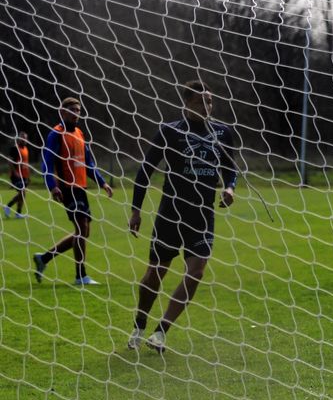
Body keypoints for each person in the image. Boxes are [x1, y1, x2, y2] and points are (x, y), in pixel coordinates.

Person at [126, 80, 239, 354]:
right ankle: (140, 323)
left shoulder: (223, 133)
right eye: (202, 101)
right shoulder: (170, 132)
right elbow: (145, 171)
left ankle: (161, 332)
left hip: (202, 215)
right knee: (156, 273)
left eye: (210, 101)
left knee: (196, 272)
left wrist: (229, 187)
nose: (207, 106)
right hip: (171, 213)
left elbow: (230, 168)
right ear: (187, 103)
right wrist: (136, 210)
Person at [34, 97, 113, 286]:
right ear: (62, 112)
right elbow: (47, 164)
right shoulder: (56, 134)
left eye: (78, 110)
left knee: (83, 232)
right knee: (82, 229)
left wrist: (102, 183)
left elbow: (88, 163)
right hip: (66, 188)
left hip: (81, 188)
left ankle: (44, 258)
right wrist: (53, 186)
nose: (76, 113)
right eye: (72, 110)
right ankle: (80, 276)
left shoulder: (79, 133)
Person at [4, 132, 31, 219]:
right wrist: (15, 172)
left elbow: (26, 164)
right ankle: (12, 209)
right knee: (22, 192)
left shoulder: (26, 149)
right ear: (19, 138)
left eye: (25, 138)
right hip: (16, 176)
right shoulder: (14, 148)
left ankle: (14, 211)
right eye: (23, 138)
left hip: (24, 176)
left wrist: (28, 176)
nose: (24, 140)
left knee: (22, 194)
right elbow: (9, 161)